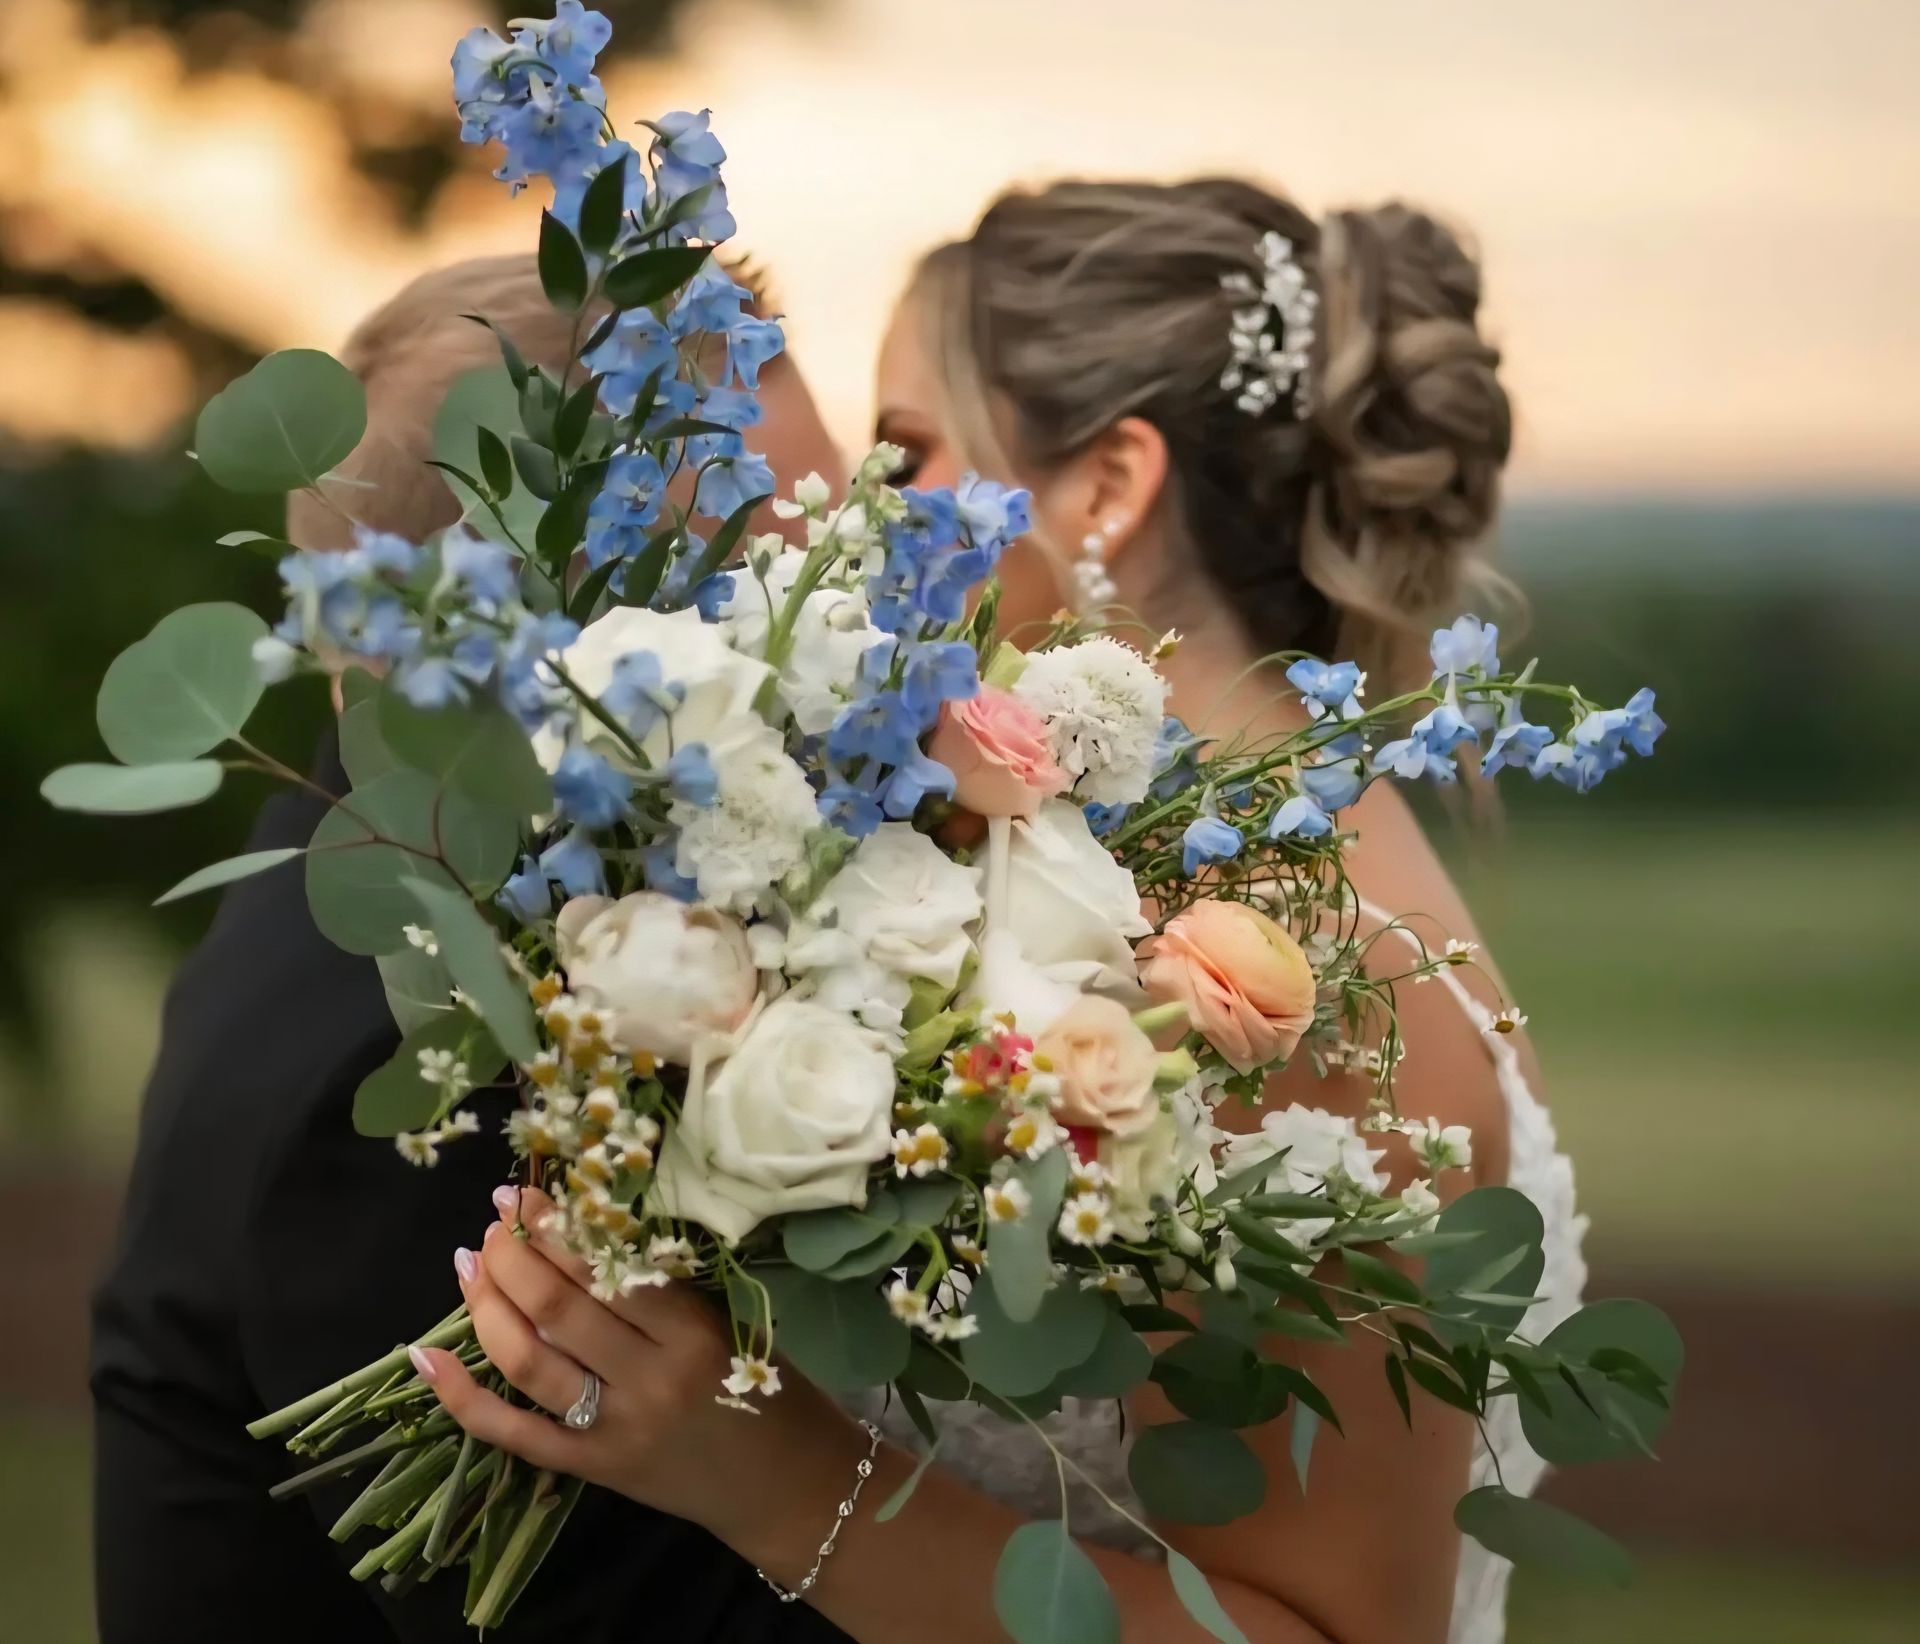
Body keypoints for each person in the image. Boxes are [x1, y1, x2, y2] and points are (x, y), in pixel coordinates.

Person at [409, 182, 1586, 1644]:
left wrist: (775, 1479)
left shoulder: (1263, 958)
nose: (863, 506)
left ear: (1109, 485)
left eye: (909, 450)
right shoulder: (1196, 867)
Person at [88, 252, 850, 1643]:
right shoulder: (395, 1057)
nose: (856, 636)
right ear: (527, 640)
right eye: (773, 581)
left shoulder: (420, 874)